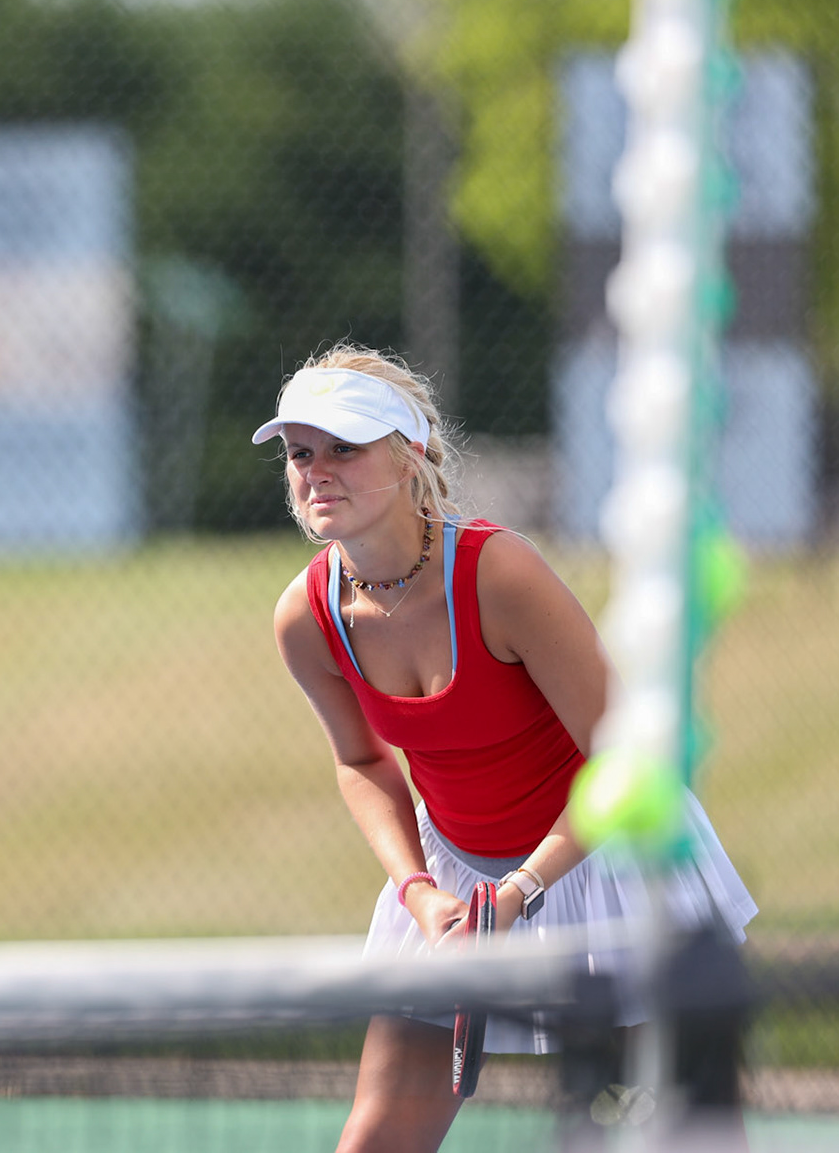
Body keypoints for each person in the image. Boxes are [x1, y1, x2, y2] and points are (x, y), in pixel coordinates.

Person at [259, 344, 756, 1153]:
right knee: (377, 1139)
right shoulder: (306, 618)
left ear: (410, 451)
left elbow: (625, 760)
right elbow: (361, 763)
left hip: (614, 864)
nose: (317, 470)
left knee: (700, 1137)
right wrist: (421, 893)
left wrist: (525, 886)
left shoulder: (500, 574)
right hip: (454, 877)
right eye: (300, 452)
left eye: (344, 446)